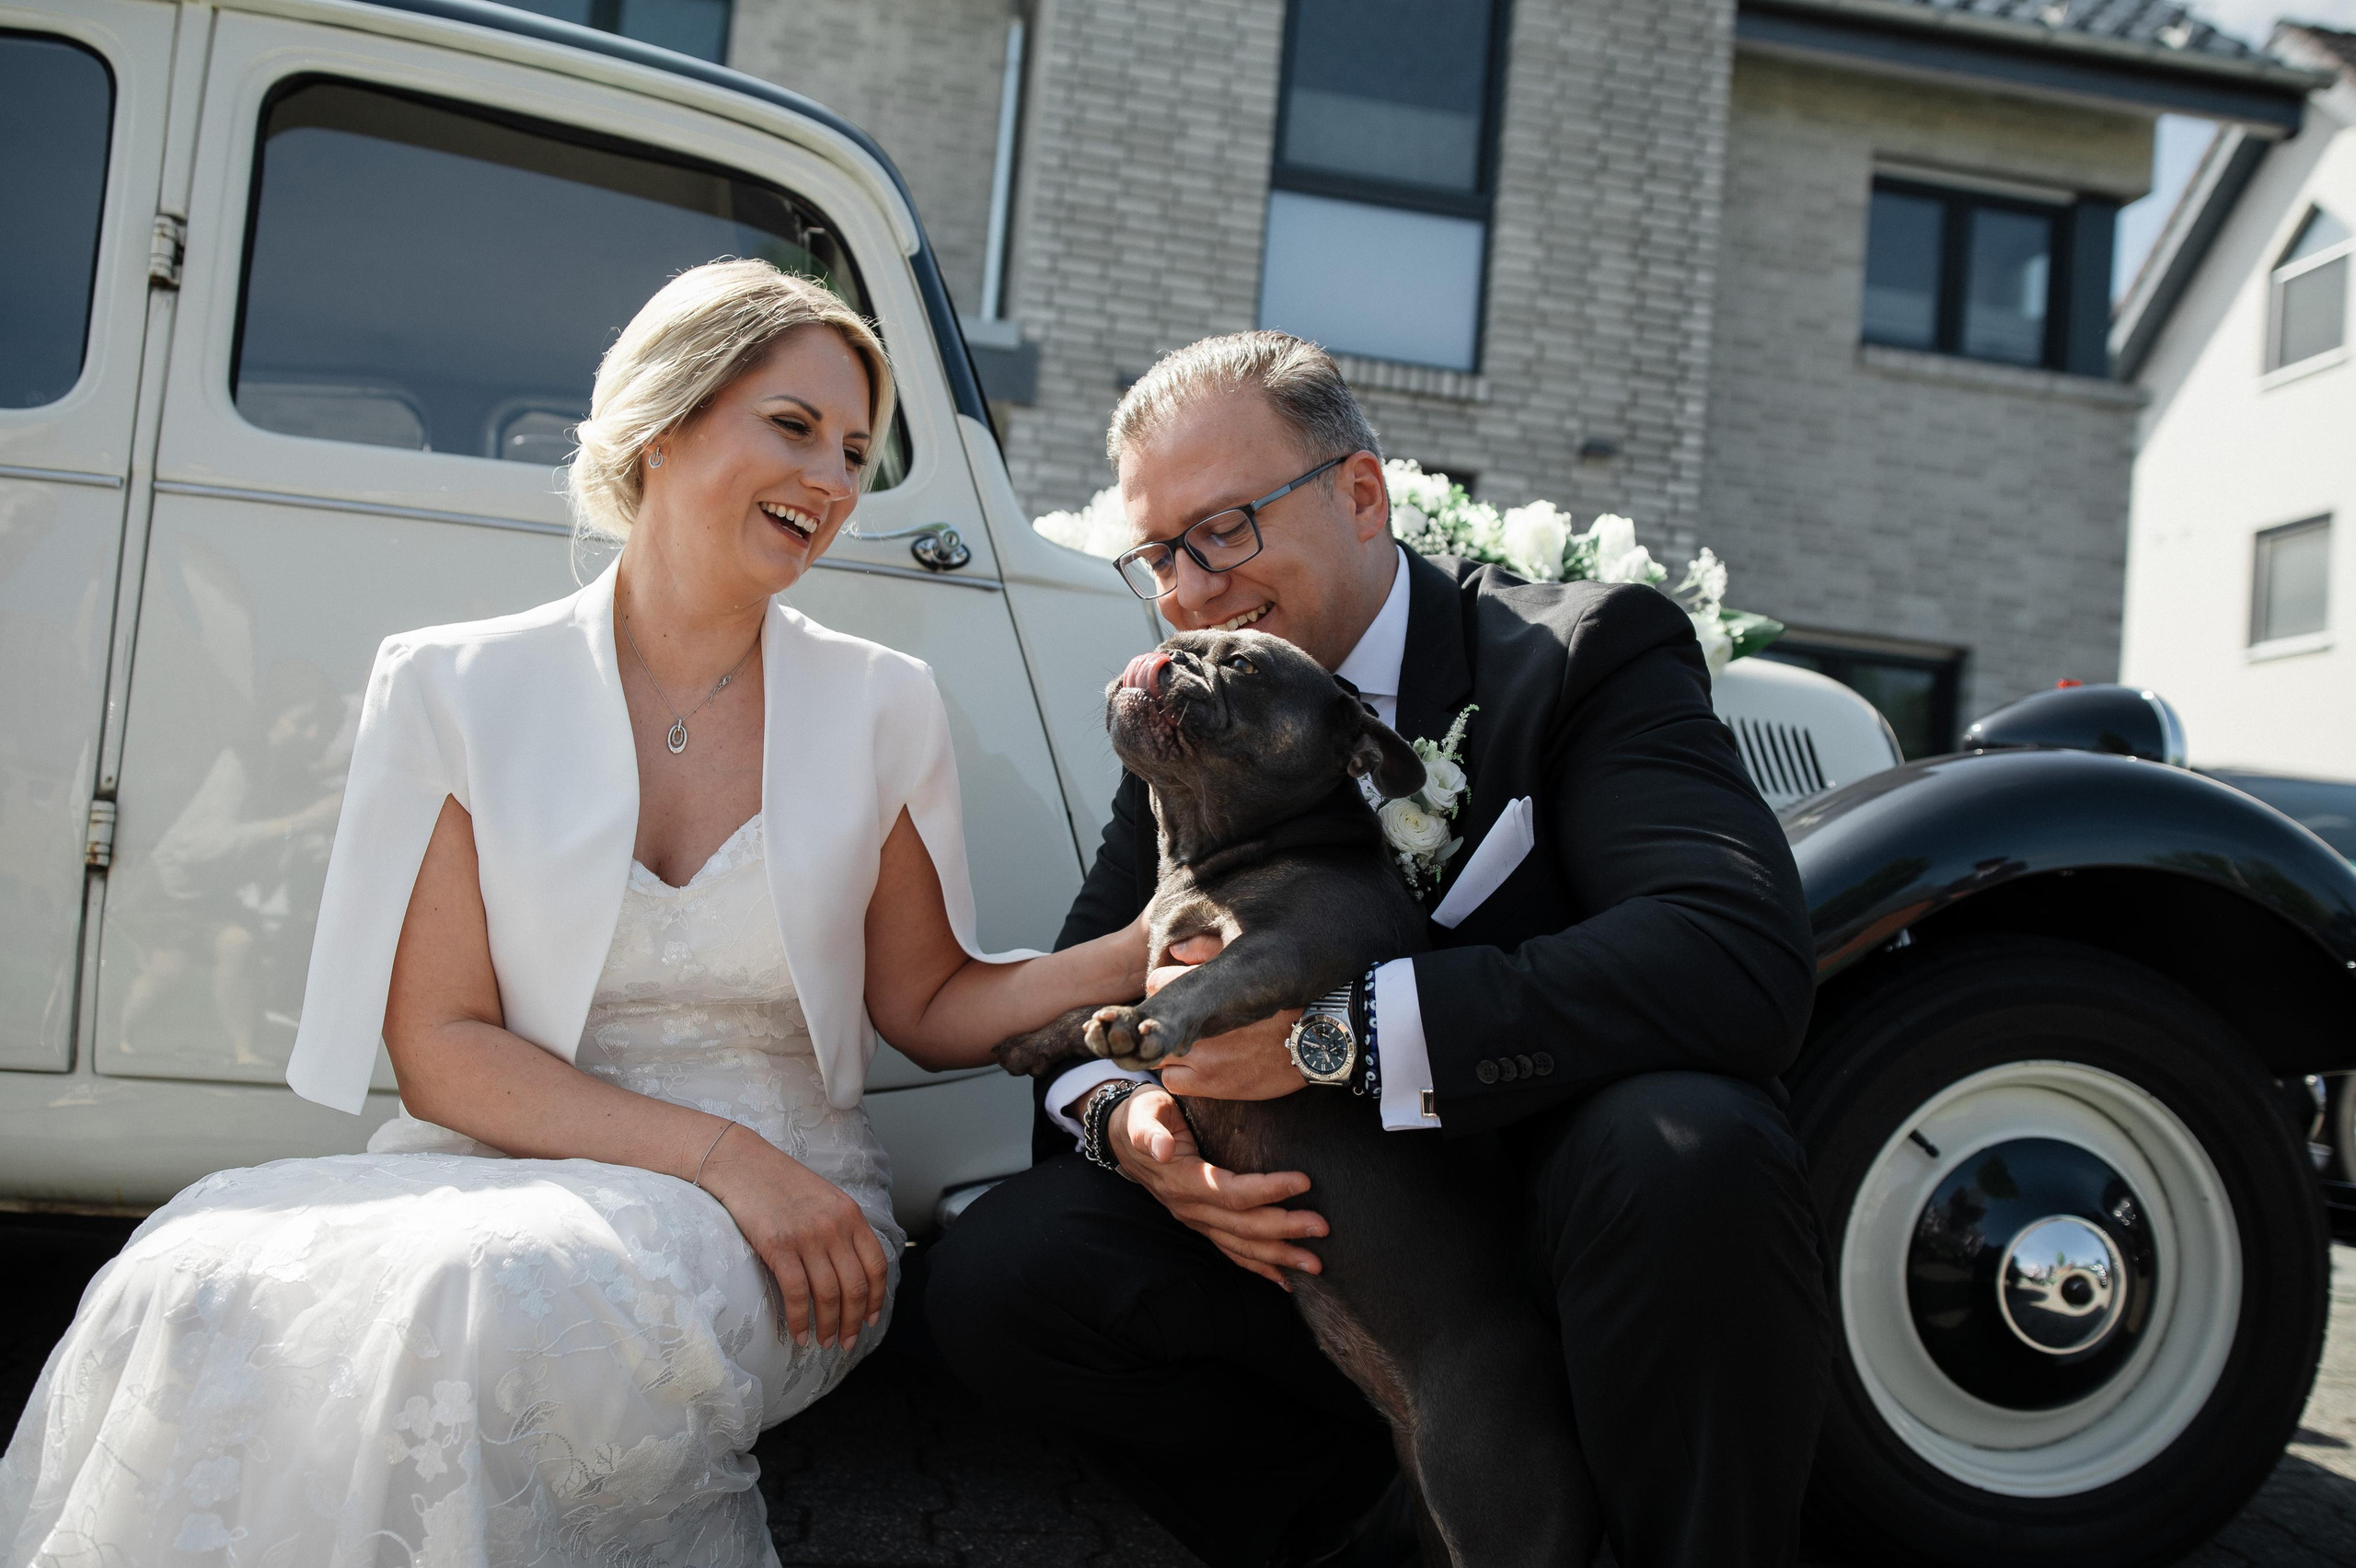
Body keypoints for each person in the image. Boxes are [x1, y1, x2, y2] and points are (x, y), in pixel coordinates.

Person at [0, 260, 1148, 1567]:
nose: (832, 480)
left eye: (852, 451)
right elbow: (441, 1048)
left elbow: (928, 1003)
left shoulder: (884, 701)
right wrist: (723, 1160)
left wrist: (1133, 953)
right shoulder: (451, 684)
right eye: (793, 426)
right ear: (662, 426)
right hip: (513, 1165)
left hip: (797, 1208)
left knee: (477, 1301)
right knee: (190, 1272)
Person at [923, 331, 1832, 1568]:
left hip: (1567, 1212)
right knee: (1005, 1277)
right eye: (1159, 555)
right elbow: (1099, 980)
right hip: (1334, 1244)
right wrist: (1135, 1133)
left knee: (1691, 1148)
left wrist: (1336, 1038)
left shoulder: (1579, 657)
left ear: (1361, 495)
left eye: (1222, 529)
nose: (1188, 591)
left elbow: (1733, 952)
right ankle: (1378, 1538)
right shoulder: (1202, 710)